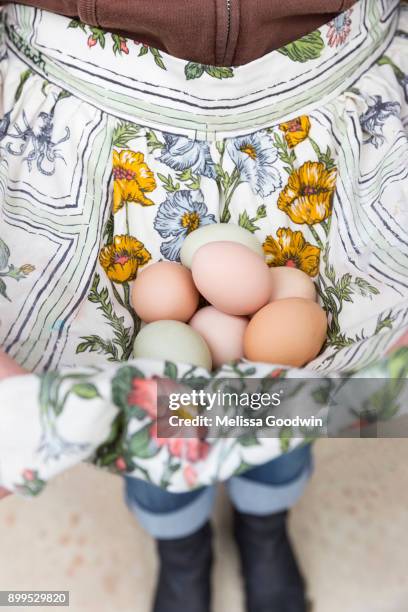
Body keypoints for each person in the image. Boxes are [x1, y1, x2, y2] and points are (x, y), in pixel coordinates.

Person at [0, 1, 407, 611]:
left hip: (333, 90)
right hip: (85, 103)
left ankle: (264, 524)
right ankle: (180, 544)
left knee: (295, 392)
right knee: (150, 420)